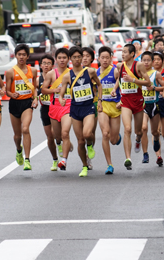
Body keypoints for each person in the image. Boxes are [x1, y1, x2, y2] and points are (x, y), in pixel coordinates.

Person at [59, 46, 102, 177]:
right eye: (74, 57)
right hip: (75, 109)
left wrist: (99, 100)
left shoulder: (90, 72)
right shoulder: (67, 76)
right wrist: (61, 99)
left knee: (87, 133)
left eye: (79, 57)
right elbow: (61, 93)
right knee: (80, 141)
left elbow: (99, 85)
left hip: (89, 107)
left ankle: (90, 145)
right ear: (70, 59)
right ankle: (84, 165)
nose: (77, 59)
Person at [112, 43, 151, 170]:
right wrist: (114, 89)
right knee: (127, 129)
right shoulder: (120, 66)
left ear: (132, 54)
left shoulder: (138, 65)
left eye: (124, 52)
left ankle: (138, 139)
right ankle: (128, 158)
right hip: (125, 102)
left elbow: (148, 82)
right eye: (121, 52)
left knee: (138, 131)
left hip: (138, 101)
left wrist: (133, 80)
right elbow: (120, 80)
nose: (122, 54)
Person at [6, 44, 38, 171]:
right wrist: (11, 94)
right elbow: (7, 90)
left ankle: (27, 159)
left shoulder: (33, 71)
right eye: (19, 54)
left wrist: (35, 98)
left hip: (27, 103)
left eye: (24, 55)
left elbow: (34, 88)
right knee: (17, 135)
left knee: (25, 129)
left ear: (27, 56)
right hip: (14, 104)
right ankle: (19, 149)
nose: (21, 57)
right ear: (15, 56)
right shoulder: (10, 72)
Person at [41, 48, 73, 171]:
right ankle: (66, 144)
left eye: (64, 58)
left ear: (68, 59)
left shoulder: (72, 73)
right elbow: (43, 89)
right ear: (56, 59)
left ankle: (63, 160)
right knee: (57, 137)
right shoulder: (51, 74)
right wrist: (54, 90)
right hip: (54, 108)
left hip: (68, 106)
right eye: (59, 58)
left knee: (65, 133)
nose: (62, 60)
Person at [97, 46, 121, 174]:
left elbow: (122, 84)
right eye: (103, 58)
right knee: (105, 133)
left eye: (107, 57)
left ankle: (117, 137)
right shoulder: (95, 73)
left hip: (115, 106)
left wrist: (121, 100)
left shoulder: (115, 71)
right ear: (99, 58)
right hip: (103, 106)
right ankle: (109, 165)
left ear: (111, 58)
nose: (105, 60)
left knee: (113, 140)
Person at [140, 51, 164, 166]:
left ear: (152, 61)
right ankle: (145, 154)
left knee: (155, 132)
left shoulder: (156, 74)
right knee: (144, 128)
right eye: (144, 60)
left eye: (148, 60)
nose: (146, 62)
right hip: (142, 105)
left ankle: (156, 140)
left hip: (154, 105)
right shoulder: (138, 74)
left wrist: (154, 88)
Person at [37, 54, 60, 170]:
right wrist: (35, 100)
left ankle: (61, 143)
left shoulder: (56, 76)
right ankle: (55, 159)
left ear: (52, 65)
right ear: (40, 65)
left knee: (56, 134)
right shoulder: (38, 79)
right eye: (44, 63)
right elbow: (36, 93)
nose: (46, 66)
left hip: (56, 107)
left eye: (48, 63)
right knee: (50, 137)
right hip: (45, 109)